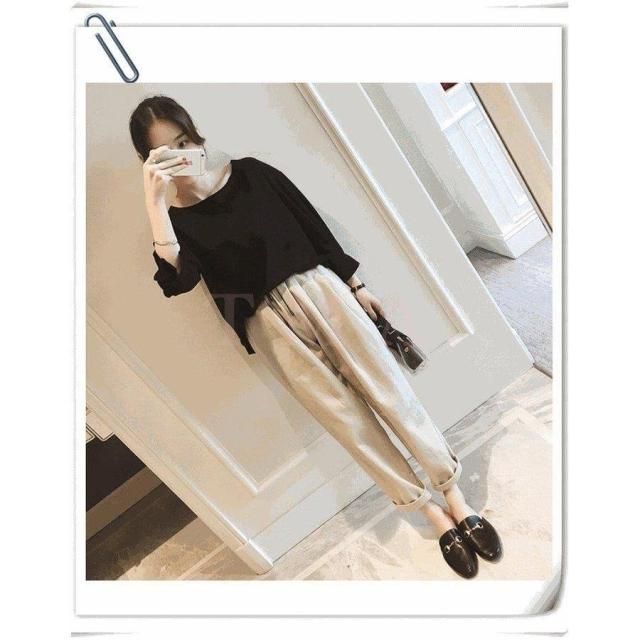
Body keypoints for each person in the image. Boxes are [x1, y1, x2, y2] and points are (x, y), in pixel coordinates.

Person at [129, 94, 503, 579]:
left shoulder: (252, 173)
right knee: (349, 423)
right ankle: (428, 512)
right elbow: (176, 280)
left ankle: (455, 496)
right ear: (150, 162)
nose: (181, 155)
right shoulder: (176, 224)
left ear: (195, 134)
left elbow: (313, 226)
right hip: (270, 328)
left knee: (391, 392)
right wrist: (154, 204)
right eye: (165, 152)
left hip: (323, 294)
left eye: (183, 141)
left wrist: (357, 286)